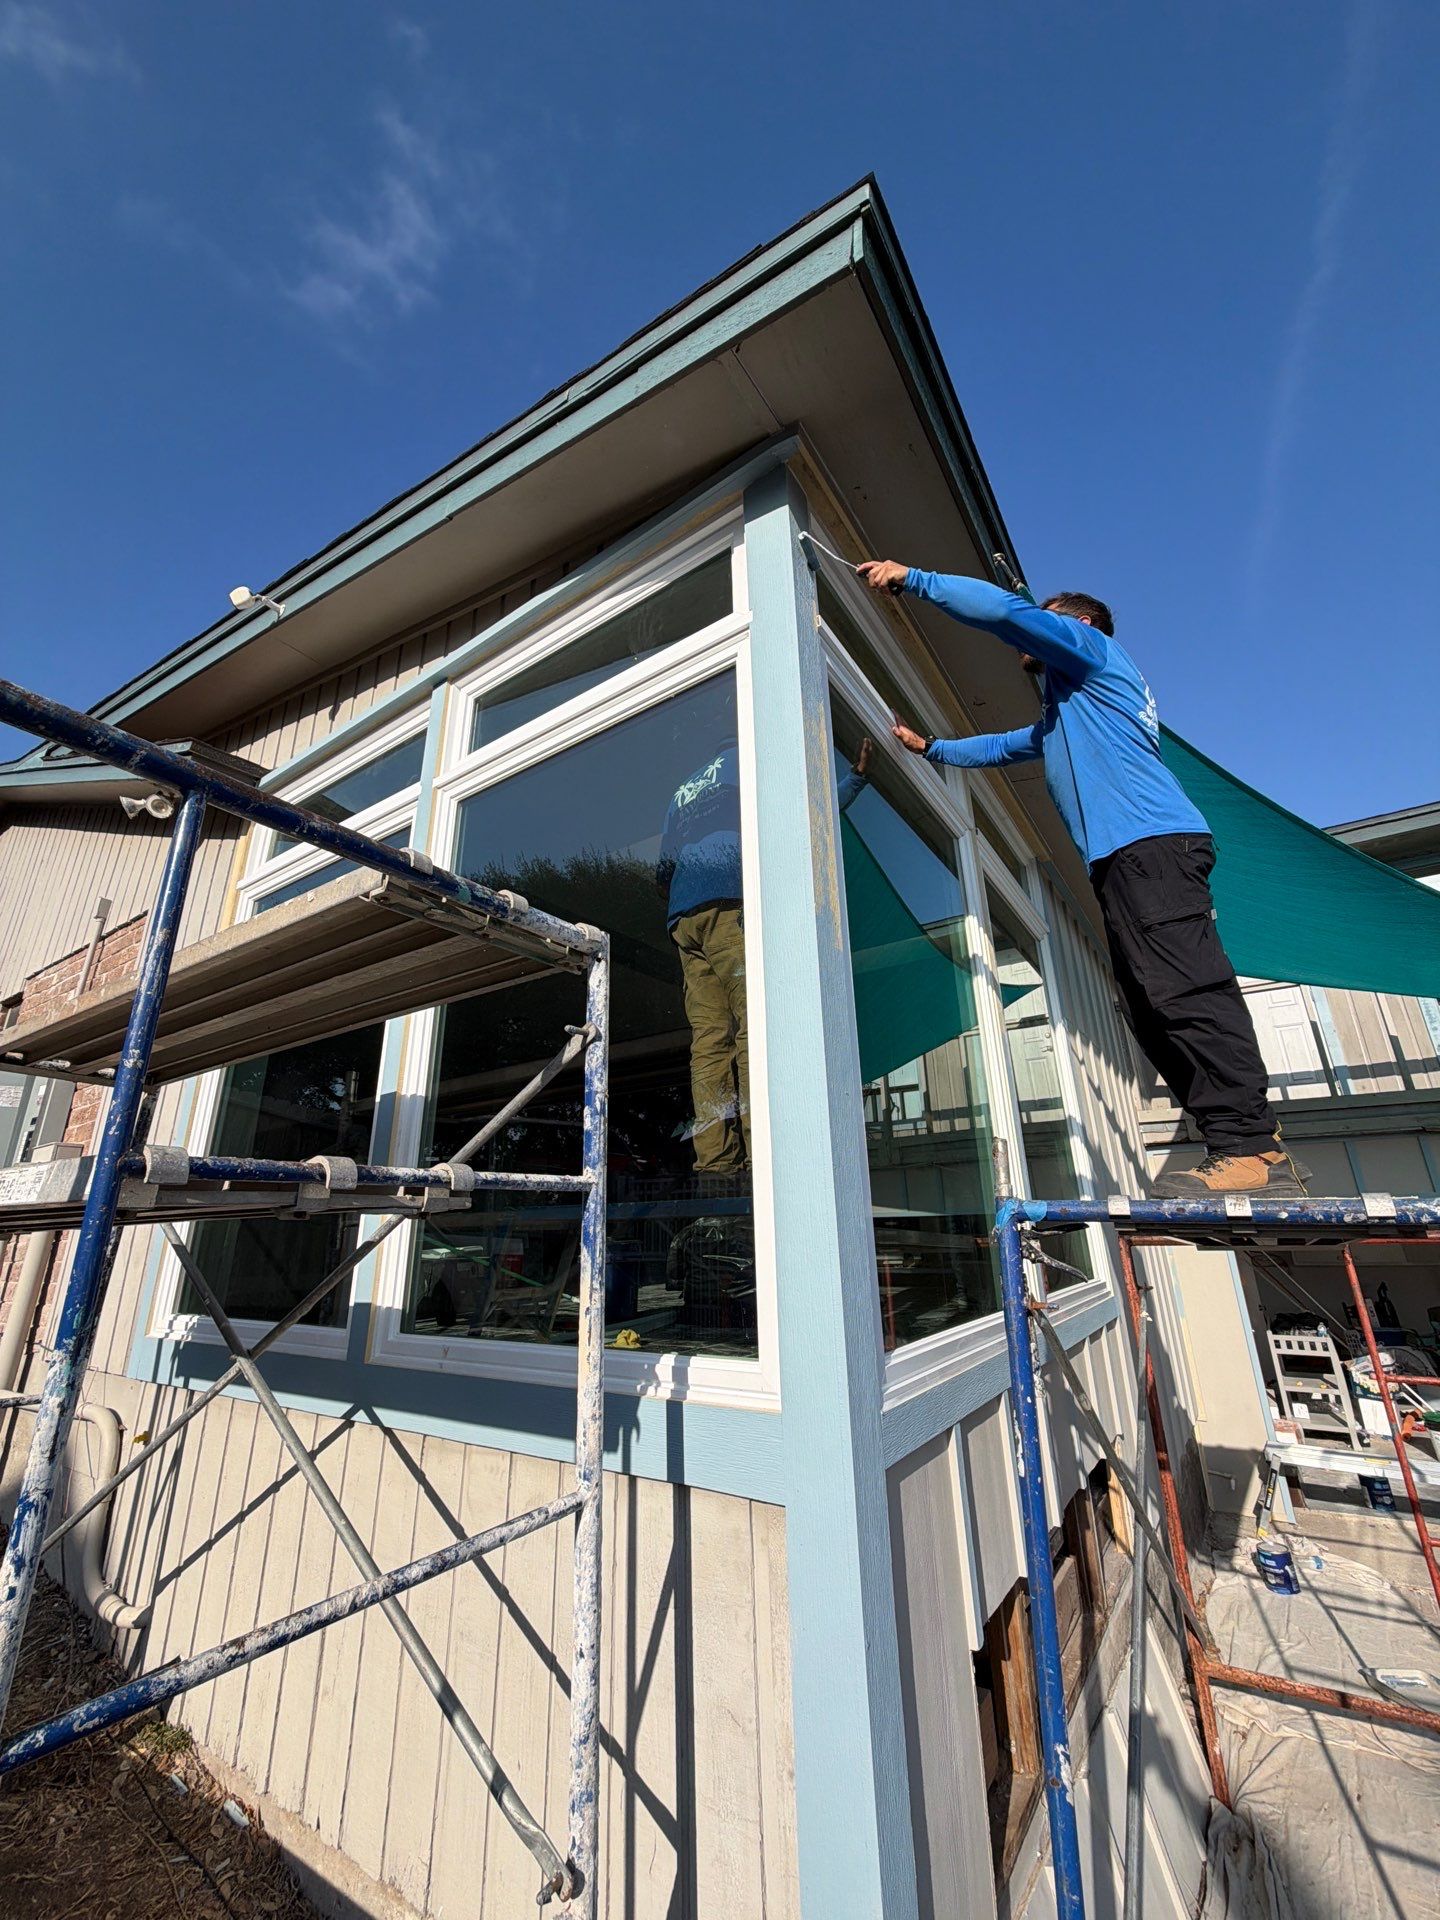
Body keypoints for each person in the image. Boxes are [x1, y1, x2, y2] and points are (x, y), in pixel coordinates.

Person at [855, 560, 1307, 1199]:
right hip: (1128, 858)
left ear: (1083, 623)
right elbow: (1008, 746)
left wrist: (914, 580)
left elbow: (1011, 616)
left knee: (1184, 988)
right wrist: (933, 750)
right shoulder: (1073, 706)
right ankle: (1233, 1144)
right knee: (1148, 1004)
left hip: (1151, 847)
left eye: (1050, 618)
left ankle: (1253, 1147)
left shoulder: (1094, 652)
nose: (1032, 637)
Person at [657, 733, 871, 1173]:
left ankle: (715, 1161)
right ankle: (767, 1156)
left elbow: (663, 870)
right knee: (754, 1028)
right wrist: (855, 780)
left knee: (709, 1040)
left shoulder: (681, 792)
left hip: (683, 916)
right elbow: (800, 815)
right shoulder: (744, 762)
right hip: (726, 900)